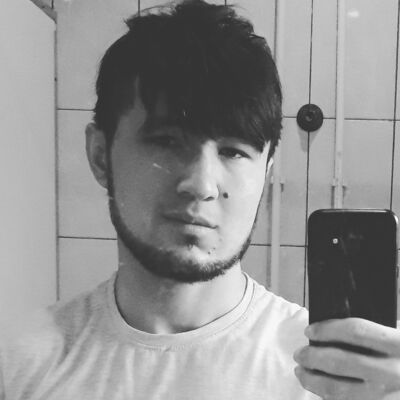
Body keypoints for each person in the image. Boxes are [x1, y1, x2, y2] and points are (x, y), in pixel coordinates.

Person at [1, 1, 400, 399]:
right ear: (100, 156)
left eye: (233, 151)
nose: (201, 184)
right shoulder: (20, 367)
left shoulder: (331, 376)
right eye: (166, 141)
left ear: (266, 171)